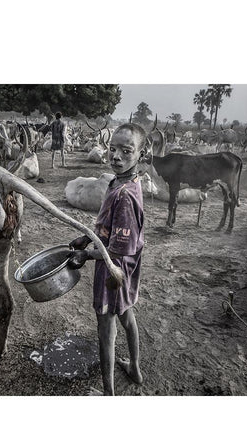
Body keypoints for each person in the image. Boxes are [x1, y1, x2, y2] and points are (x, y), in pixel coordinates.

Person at [68, 123, 147, 396]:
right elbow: (106, 223)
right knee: (126, 315)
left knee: (106, 330)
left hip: (114, 271)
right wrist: (88, 236)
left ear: (141, 153)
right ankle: (135, 368)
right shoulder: (119, 182)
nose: (116, 156)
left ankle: (108, 394)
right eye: (113, 149)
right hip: (125, 267)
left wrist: (85, 254)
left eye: (126, 151)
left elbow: (116, 250)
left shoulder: (125, 195)